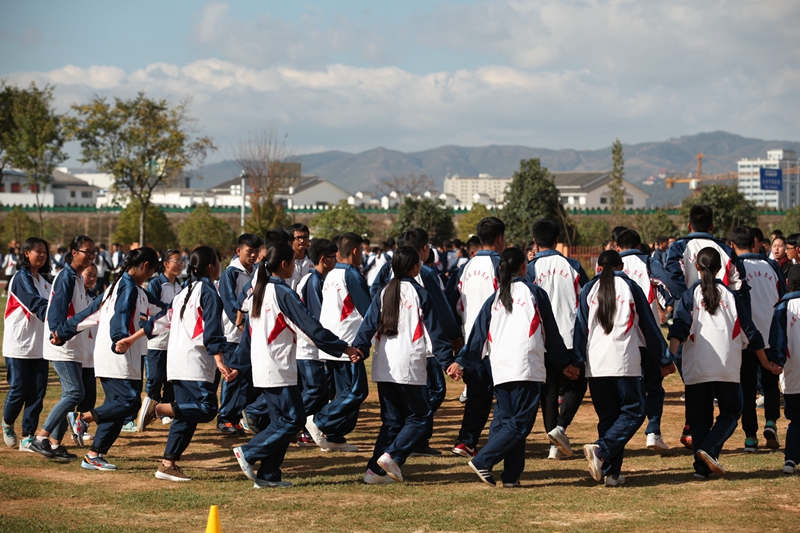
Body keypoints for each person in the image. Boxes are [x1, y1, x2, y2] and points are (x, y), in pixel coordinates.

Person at [232, 243, 360, 488]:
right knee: (293, 420)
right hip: (277, 367)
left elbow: (249, 333)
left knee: (281, 421)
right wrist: (343, 347)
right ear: (284, 264)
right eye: (294, 262)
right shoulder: (281, 292)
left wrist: (239, 363)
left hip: (266, 364)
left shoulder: (260, 289)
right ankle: (249, 452)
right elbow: (309, 327)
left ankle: (269, 475)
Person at [458, 247, 578, 487]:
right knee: (521, 423)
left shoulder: (495, 297)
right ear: (524, 266)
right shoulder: (534, 293)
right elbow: (551, 333)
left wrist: (462, 361)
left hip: (500, 367)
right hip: (526, 365)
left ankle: (511, 477)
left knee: (507, 420)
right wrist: (565, 363)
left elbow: (477, 334)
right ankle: (483, 460)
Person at [668, 247, 779, 479]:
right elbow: (752, 334)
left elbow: (678, 328)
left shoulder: (690, 296)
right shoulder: (732, 296)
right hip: (727, 367)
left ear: (697, 267)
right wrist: (766, 363)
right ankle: (708, 452)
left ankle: (701, 466)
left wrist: (670, 357)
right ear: (720, 269)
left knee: (699, 419)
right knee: (731, 412)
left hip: (696, 368)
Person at [129, 246, 237, 482]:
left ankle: (167, 464)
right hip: (194, 363)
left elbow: (161, 320)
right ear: (211, 265)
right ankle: (157, 408)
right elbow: (212, 328)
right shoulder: (207, 290)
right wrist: (219, 358)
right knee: (207, 408)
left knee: (185, 416)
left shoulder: (184, 291)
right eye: (219, 261)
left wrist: (131, 338)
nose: (221, 265)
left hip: (178, 362)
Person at [354, 247, 455, 484]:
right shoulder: (419, 293)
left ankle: (373, 472)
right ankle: (393, 456)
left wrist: (360, 347)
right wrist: (448, 361)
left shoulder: (383, 292)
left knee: (392, 421)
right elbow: (435, 332)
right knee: (420, 415)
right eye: (419, 263)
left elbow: (368, 325)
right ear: (413, 267)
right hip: (409, 363)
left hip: (384, 364)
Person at [54, 248, 160, 471]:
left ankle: (94, 455)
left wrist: (63, 332)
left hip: (124, 354)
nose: (151, 276)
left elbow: (89, 314)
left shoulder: (133, 289)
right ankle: (82, 419)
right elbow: (120, 314)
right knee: (129, 402)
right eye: (152, 271)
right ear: (145, 266)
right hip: (117, 353)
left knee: (117, 408)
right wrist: (119, 339)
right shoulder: (126, 287)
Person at [575, 250, 674, 486]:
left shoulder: (589, 290)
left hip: (596, 364)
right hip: (623, 361)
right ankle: (602, 450)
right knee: (635, 411)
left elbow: (579, 327)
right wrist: (664, 358)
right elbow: (649, 327)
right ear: (622, 266)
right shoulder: (630, 287)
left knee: (608, 417)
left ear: (598, 267)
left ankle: (612, 474)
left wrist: (576, 360)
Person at [367, 228, 463, 456]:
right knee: (431, 395)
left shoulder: (386, 271)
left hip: (391, 349)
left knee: (399, 410)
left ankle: (401, 445)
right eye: (428, 246)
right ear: (421, 250)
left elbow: (373, 296)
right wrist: (453, 339)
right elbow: (439, 308)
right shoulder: (425, 274)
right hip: (418, 345)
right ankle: (413, 440)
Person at [664, 204, 746, 448]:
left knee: (698, 392)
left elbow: (672, 279)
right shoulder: (724, 249)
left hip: (690, 321)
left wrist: (687, 296)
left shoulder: (678, 247)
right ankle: (706, 447)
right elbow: (740, 285)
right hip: (723, 317)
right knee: (728, 403)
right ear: (711, 226)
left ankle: (695, 434)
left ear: (689, 225)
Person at [29, 236, 96, 462]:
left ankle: (56, 443)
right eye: (87, 252)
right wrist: (56, 332)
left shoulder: (78, 279)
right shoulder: (66, 277)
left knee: (76, 394)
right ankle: (41, 437)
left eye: (93, 252)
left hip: (74, 346)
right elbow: (56, 307)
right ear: (74, 252)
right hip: (61, 343)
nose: (91, 256)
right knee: (75, 392)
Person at [526, 219, 590, 459]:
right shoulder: (572, 265)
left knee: (549, 390)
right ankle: (561, 428)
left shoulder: (531, 269)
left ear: (535, 241)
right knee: (577, 385)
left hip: (542, 338)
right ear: (557, 239)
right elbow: (586, 295)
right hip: (570, 335)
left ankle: (554, 444)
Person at [446, 217, 505, 458]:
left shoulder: (465, 267)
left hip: (471, 340)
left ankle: (466, 442)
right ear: (500, 238)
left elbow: (452, 301)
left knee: (477, 395)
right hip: (498, 341)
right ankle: (497, 442)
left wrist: (455, 336)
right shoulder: (502, 265)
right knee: (503, 396)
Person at [615, 228, 676, 452]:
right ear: (639, 245)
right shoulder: (648, 262)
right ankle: (653, 431)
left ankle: (616, 435)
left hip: (619, 337)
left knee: (625, 389)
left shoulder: (609, 265)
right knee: (654, 386)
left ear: (617, 246)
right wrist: (667, 308)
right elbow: (667, 287)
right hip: (647, 334)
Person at [310, 232, 371, 452]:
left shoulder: (332, 274)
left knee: (346, 392)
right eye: (362, 251)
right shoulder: (352, 274)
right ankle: (318, 421)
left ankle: (335, 436)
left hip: (333, 342)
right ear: (355, 251)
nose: (363, 255)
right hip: (347, 343)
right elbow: (368, 310)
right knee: (356, 392)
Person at [730, 227, 785, 452]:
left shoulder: (735, 267)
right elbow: (781, 296)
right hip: (770, 333)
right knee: (771, 383)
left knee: (747, 386)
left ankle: (750, 436)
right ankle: (771, 422)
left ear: (732, 245)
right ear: (755, 242)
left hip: (746, 338)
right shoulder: (771, 265)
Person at [2, 237, 52, 452]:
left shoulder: (46, 282)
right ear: (26, 253)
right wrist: (57, 318)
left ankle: (28, 437)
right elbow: (35, 303)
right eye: (37, 251)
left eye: (44, 252)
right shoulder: (20, 278)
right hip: (19, 345)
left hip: (40, 346)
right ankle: (7, 422)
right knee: (19, 389)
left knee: (37, 393)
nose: (42, 255)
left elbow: (57, 302)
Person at [294, 238, 339, 446]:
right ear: (324, 259)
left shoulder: (317, 279)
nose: (336, 261)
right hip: (308, 348)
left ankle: (303, 430)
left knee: (320, 393)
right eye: (333, 257)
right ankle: (288, 422)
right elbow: (316, 318)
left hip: (314, 347)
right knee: (314, 390)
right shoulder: (313, 281)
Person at [217, 234, 263, 435]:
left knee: (245, 378)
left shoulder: (255, 272)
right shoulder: (231, 273)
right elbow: (229, 303)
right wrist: (240, 325)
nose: (253, 256)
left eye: (255, 252)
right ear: (239, 251)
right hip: (232, 334)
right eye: (249, 251)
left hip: (248, 334)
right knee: (231, 376)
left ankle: (236, 417)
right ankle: (225, 418)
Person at [144, 249, 184, 424]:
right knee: (155, 378)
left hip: (174, 341)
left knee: (171, 378)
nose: (181, 264)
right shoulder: (156, 284)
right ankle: (149, 409)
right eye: (177, 261)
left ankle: (166, 409)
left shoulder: (180, 286)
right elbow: (151, 309)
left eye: (182, 261)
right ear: (166, 264)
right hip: (157, 341)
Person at [767, 265, 800, 474]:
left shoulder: (782, 307)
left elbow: (777, 339)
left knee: (796, 419)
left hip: (793, 371)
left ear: (787, 283)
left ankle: (790, 460)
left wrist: (776, 361)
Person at [287, 223, 314, 291]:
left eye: (305, 237)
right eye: (298, 238)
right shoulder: (286, 261)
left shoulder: (314, 260)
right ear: (291, 240)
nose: (302, 240)